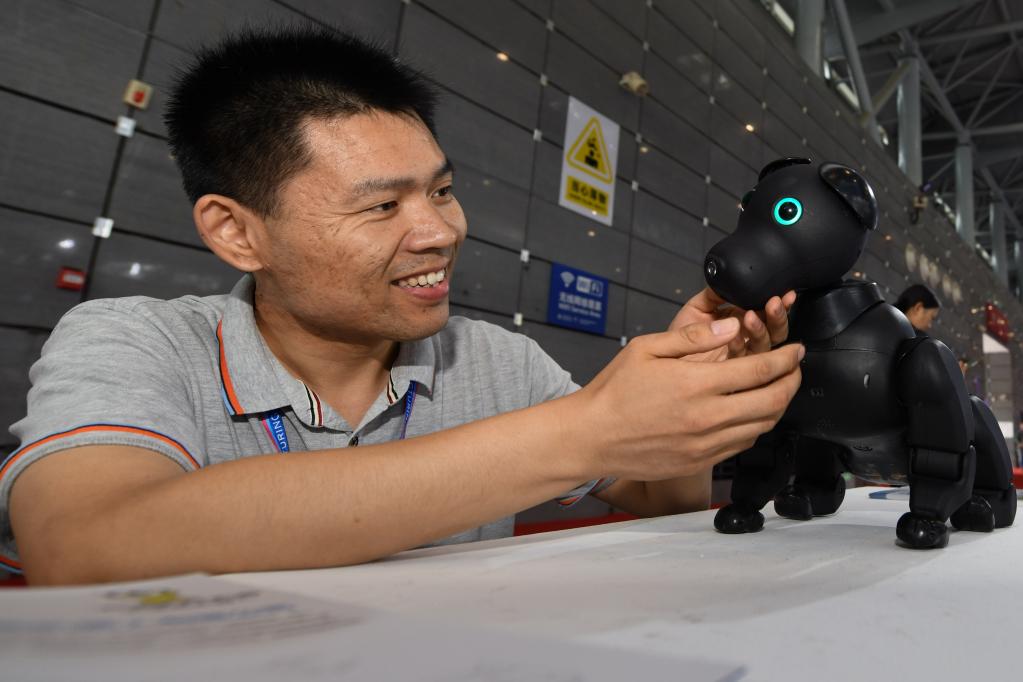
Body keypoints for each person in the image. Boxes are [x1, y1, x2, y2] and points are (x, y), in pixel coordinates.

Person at [1, 28, 802, 586]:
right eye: (382, 206)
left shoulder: (497, 362)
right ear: (236, 232)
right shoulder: (136, 342)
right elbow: (84, 545)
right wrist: (582, 431)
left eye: (442, 191)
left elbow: (661, 504)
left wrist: (694, 389)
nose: (440, 232)